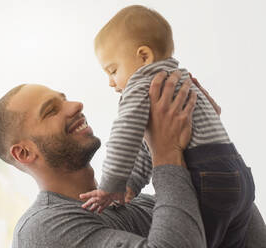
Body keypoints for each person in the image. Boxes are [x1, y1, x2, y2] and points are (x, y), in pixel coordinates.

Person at [0, 72, 266, 247]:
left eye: (65, 98)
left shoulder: (145, 204)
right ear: (24, 153)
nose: (75, 105)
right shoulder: (43, 229)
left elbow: (245, 231)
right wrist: (167, 152)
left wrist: (206, 146)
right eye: (51, 110)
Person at [80, 5, 255, 248]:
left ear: (143, 57)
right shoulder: (180, 79)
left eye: (113, 70)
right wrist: (132, 184)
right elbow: (148, 146)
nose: (110, 82)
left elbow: (125, 137)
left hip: (205, 176)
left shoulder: (141, 83)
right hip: (237, 173)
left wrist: (111, 185)